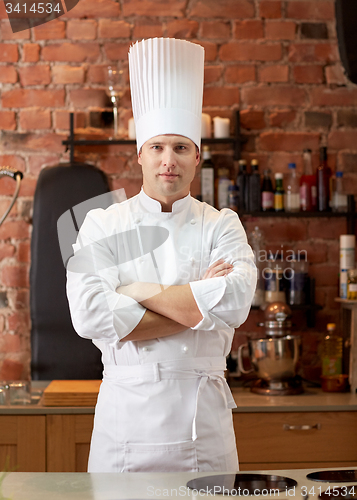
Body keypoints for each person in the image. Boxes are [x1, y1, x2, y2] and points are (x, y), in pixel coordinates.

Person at [66, 37, 257, 473]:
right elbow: (90, 316)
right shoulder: (103, 225)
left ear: (197, 156)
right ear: (140, 155)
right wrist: (194, 305)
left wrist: (134, 290)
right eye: (157, 147)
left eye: (180, 147)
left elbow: (233, 304)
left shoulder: (221, 224)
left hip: (203, 430)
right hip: (124, 429)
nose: (168, 160)